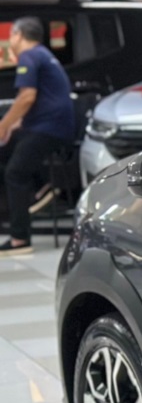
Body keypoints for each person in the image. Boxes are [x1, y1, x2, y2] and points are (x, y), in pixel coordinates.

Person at [0, 15, 75, 255]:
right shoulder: (44, 54)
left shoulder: (29, 56)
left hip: (48, 128)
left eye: (11, 35)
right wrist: (16, 123)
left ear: (18, 35)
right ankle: (41, 189)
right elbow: (41, 99)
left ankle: (19, 239)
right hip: (55, 126)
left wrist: (4, 124)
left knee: (15, 173)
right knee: (10, 154)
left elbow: (27, 97)